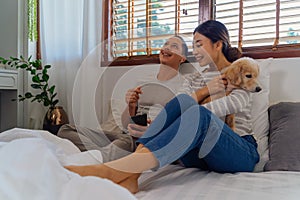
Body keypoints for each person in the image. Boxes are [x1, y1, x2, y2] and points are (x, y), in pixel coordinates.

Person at [65, 20, 260, 194]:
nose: (195, 51)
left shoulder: (242, 70)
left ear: (218, 45)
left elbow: (225, 107)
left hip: (238, 150)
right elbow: (178, 106)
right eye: (193, 45)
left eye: (199, 44)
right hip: (201, 156)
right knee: (182, 102)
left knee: (197, 114)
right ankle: (133, 175)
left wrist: (186, 116)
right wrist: (205, 91)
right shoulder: (193, 79)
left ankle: (116, 170)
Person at [58, 35, 188, 162]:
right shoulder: (144, 80)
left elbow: (178, 126)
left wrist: (156, 127)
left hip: (148, 139)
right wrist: (131, 105)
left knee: (125, 142)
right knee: (66, 130)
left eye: (174, 46)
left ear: (182, 58)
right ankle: (104, 155)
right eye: (166, 44)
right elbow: (126, 124)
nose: (167, 48)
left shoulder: (183, 86)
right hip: (127, 136)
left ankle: (104, 158)